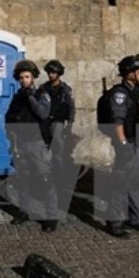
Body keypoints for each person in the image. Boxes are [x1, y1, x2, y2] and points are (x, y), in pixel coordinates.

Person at [5, 59, 58, 233]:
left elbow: (42, 113)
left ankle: (51, 216)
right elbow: (9, 118)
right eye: (21, 78)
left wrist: (30, 97)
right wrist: (11, 141)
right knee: (23, 179)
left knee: (45, 179)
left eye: (27, 77)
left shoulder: (41, 94)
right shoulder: (17, 97)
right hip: (21, 142)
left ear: (33, 78)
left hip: (37, 143)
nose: (23, 81)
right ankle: (24, 212)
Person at [104, 55, 139, 238]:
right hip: (128, 143)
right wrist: (123, 145)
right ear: (129, 73)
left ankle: (135, 218)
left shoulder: (135, 91)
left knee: (134, 182)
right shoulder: (120, 93)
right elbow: (117, 122)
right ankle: (115, 221)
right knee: (121, 182)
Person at [40, 59, 76, 215]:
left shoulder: (65, 89)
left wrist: (70, 125)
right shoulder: (44, 88)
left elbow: (71, 107)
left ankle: (59, 179)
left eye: (53, 72)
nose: (50, 75)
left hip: (58, 122)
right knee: (43, 153)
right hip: (45, 123)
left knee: (58, 154)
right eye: (49, 72)